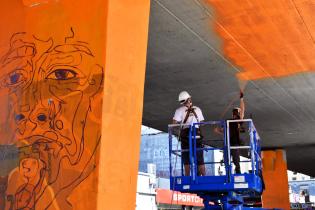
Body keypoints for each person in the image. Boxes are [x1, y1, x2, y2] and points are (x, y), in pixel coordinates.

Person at [172, 91, 206, 176]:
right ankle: (204, 177)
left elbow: (173, 123)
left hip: (185, 135)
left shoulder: (179, 110)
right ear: (189, 99)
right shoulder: (197, 109)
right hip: (197, 134)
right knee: (199, 157)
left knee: (186, 156)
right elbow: (202, 123)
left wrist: (179, 128)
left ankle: (187, 177)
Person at [215, 90, 245, 174]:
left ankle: (235, 171)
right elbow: (224, 132)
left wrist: (241, 99)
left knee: (233, 159)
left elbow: (242, 110)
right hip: (230, 143)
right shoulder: (230, 122)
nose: (235, 114)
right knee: (230, 159)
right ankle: (233, 171)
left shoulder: (234, 121)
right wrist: (218, 130)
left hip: (231, 143)